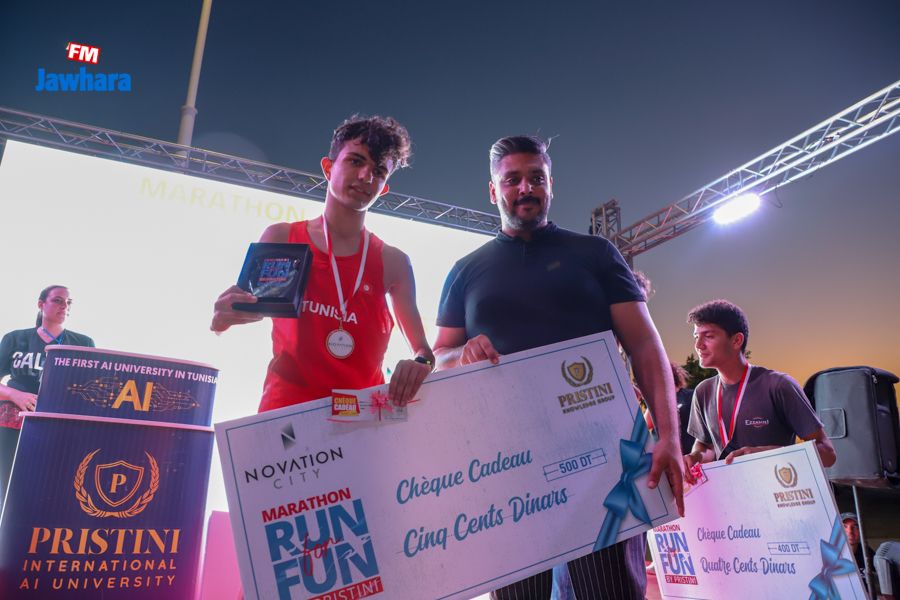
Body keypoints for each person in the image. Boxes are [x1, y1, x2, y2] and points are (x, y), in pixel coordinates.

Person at [433, 135, 685, 600]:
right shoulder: (465, 271)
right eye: (512, 179)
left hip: (604, 457)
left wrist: (668, 435)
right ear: (493, 190)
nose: (525, 188)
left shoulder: (595, 254)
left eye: (536, 178)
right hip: (507, 466)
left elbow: (645, 345)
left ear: (551, 185)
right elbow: (440, 357)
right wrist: (461, 353)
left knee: (609, 593)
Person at [211, 116, 433, 412]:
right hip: (286, 416)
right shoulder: (283, 238)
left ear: (384, 188)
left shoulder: (394, 262)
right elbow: (234, 313)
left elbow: (424, 352)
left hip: (360, 417)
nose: (366, 176)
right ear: (328, 168)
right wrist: (222, 318)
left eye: (379, 171)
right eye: (356, 161)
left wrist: (420, 364)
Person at [682, 299, 836, 481]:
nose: (698, 345)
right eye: (696, 337)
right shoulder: (703, 391)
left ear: (736, 340)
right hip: (729, 492)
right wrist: (695, 457)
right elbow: (706, 447)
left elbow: (828, 454)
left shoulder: (778, 385)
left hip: (780, 490)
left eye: (708, 336)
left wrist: (770, 455)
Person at [0, 285, 95, 511]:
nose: (64, 306)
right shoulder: (15, 339)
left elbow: (90, 388)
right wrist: (15, 394)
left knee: (51, 486)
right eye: (58, 300)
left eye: (68, 302)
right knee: (6, 487)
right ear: (41, 304)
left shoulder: (83, 343)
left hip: (59, 427)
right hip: (13, 425)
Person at [842, 512, 879, 595]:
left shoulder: (867, 553)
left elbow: (881, 580)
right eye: (844, 526)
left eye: (855, 527)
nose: (850, 531)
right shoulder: (830, 555)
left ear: (861, 531)